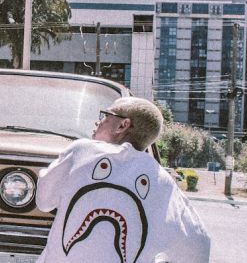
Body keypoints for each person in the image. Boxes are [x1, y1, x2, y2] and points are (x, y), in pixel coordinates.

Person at [36, 97, 211, 263]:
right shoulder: (163, 181)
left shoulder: (82, 150)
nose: (98, 122)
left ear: (122, 125)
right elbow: (198, 245)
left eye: (105, 116)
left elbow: (44, 201)